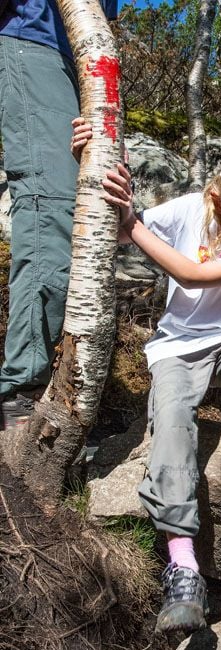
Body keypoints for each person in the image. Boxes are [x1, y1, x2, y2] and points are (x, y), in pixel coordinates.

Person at [75, 126, 221, 634]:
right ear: (216, 199)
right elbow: (117, 229)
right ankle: (184, 566)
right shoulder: (191, 209)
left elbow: (192, 275)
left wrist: (135, 224)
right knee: (173, 422)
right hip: (174, 348)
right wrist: (92, 166)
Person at [0, 0, 117, 429]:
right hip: (31, 46)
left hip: (81, 60)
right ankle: (21, 391)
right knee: (49, 211)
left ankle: (65, 389)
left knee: (93, 211)